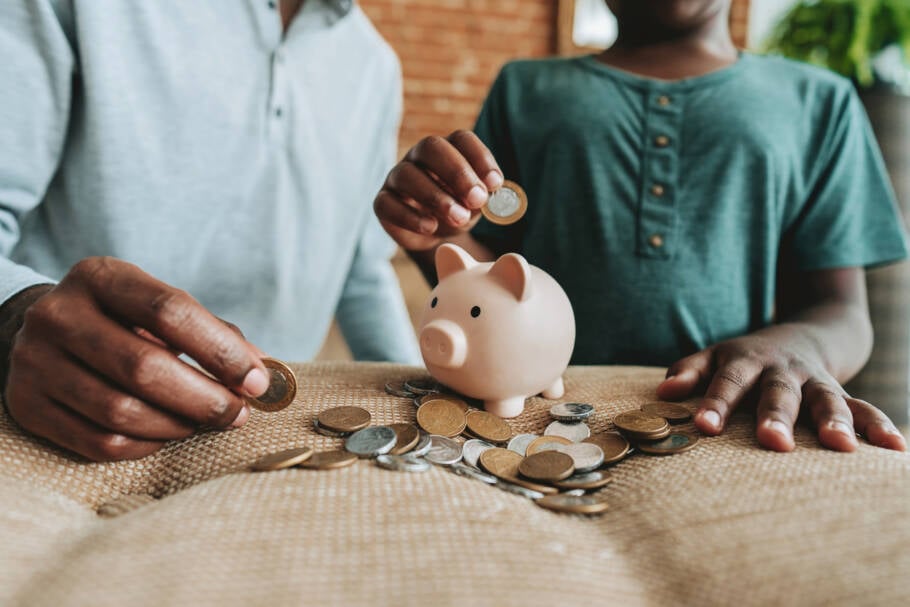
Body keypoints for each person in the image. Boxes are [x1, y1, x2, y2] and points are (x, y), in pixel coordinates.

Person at [374, 0, 910, 452]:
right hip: (538, 421)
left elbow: (843, 312)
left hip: (727, 419)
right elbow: (492, 281)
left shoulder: (821, 102)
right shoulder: (526, 91)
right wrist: (439, 239)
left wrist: (799, 346)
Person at [0, 0, 419, 461]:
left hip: (272, 437)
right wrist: (15, 317)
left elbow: (360, 271)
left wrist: (420, 397)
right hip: (72, 414)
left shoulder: (376, 68)